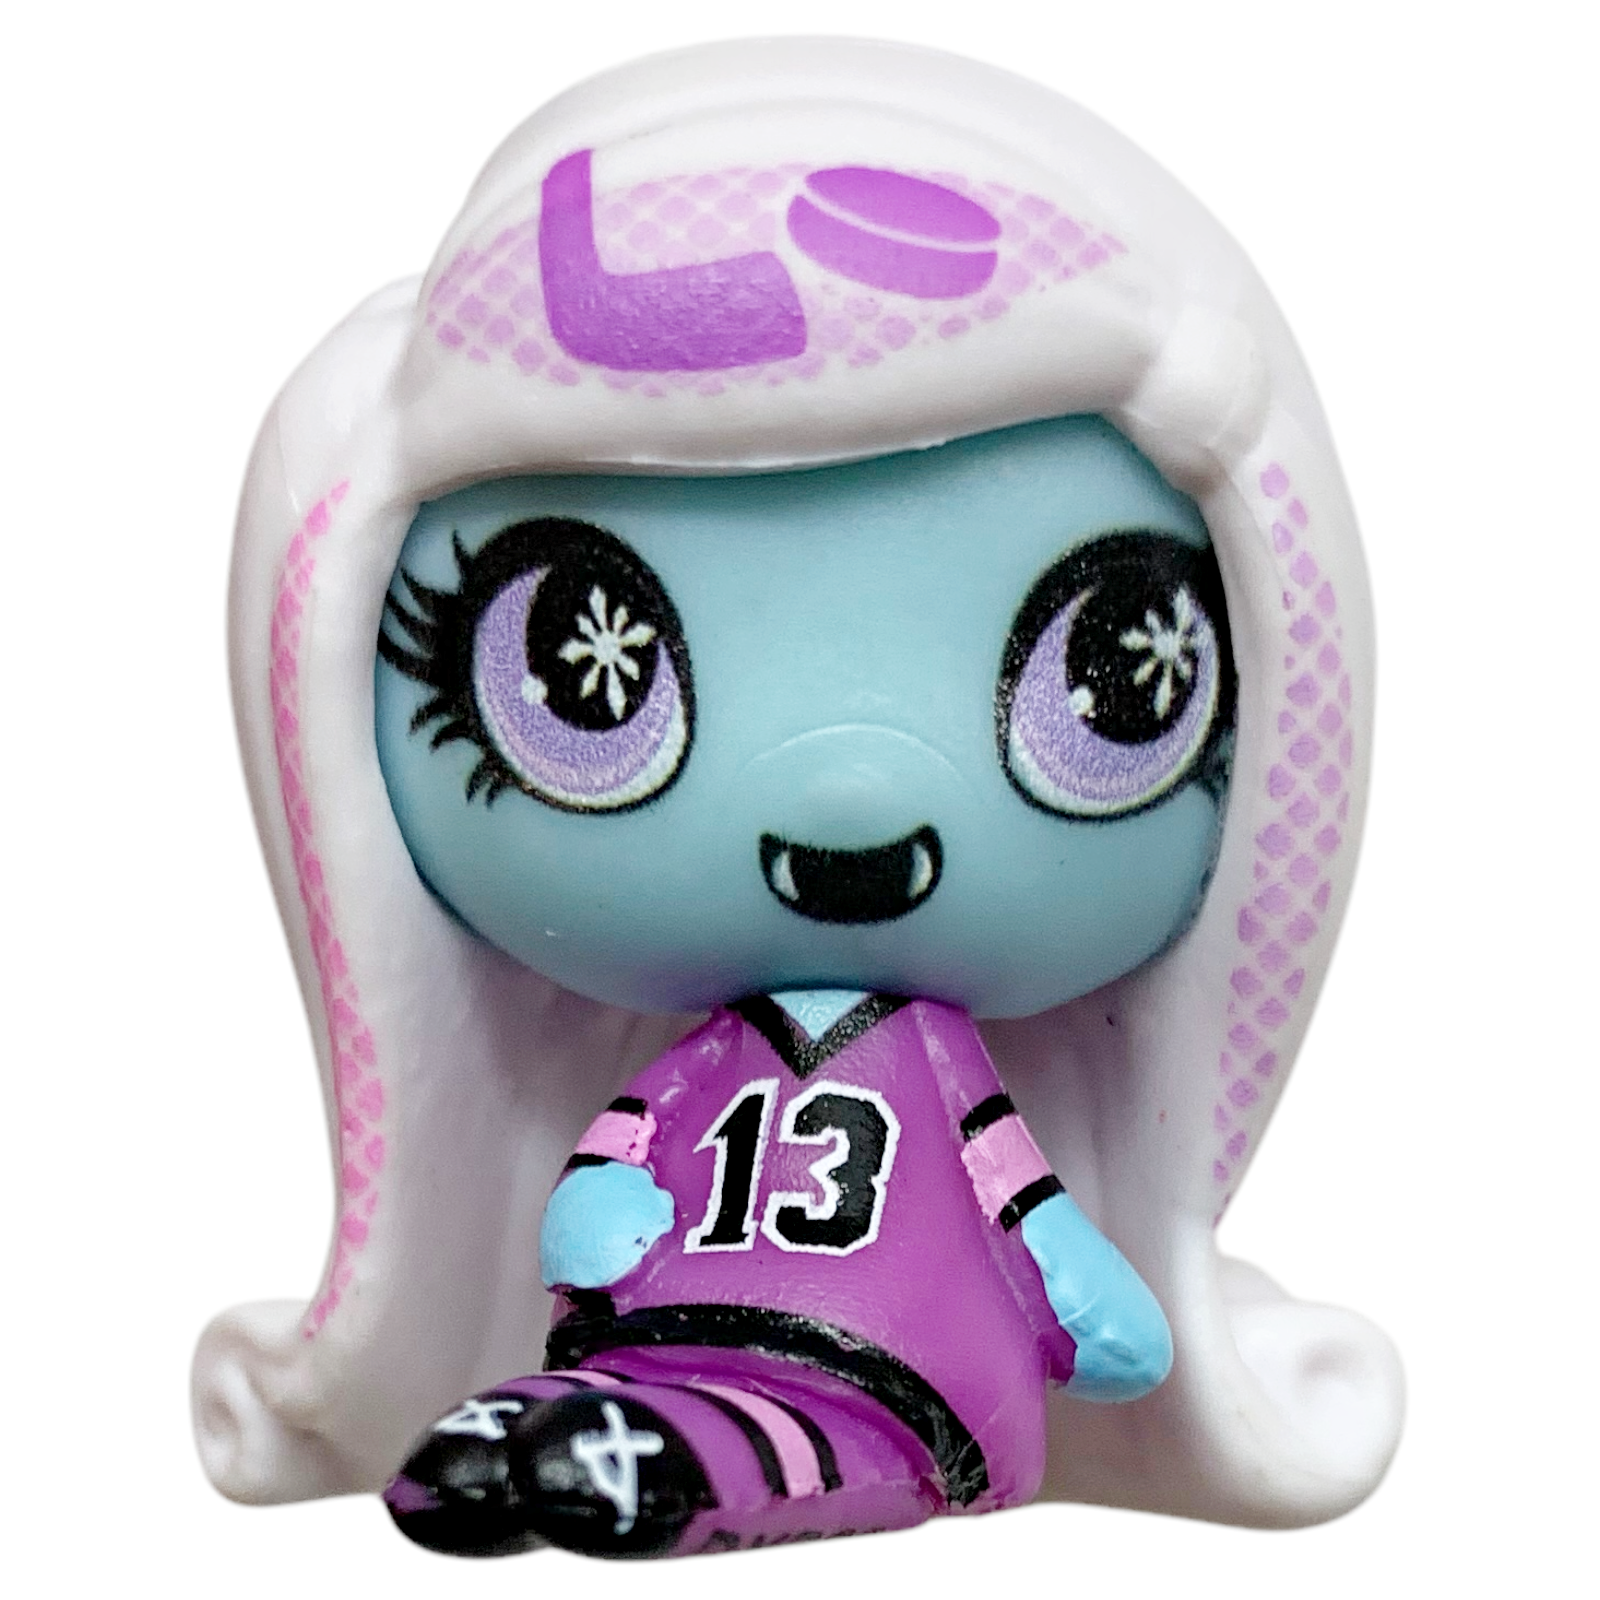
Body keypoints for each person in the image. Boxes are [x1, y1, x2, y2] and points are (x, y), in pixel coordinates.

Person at [193, 36, 1401, 1555]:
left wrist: (1089, 1291)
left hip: (913, 1375)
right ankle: (570, 1428)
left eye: (1112, 672)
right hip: (678, 1322)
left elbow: (1018, 1205)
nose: (845, 790)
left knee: (809, 1433)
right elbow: (622, 1162)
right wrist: (592, 1223)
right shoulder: (712, 1068)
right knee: (683, 1388)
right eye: (579, 676)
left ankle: (673, 1464)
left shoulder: (937, 1071)